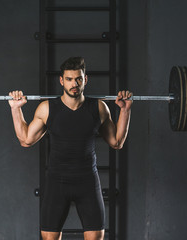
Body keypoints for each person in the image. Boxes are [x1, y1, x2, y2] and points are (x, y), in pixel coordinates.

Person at [8, 57, 132, 240]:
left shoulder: (99, 108)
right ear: (61, 81)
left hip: (87, 182)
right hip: (57, 183)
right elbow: (26, 140)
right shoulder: (47, 109)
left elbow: (117, 142)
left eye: (78, 79)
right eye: (69, 79)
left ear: (85, 79)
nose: (74, 84)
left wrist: (125, 110)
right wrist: (15, 109)